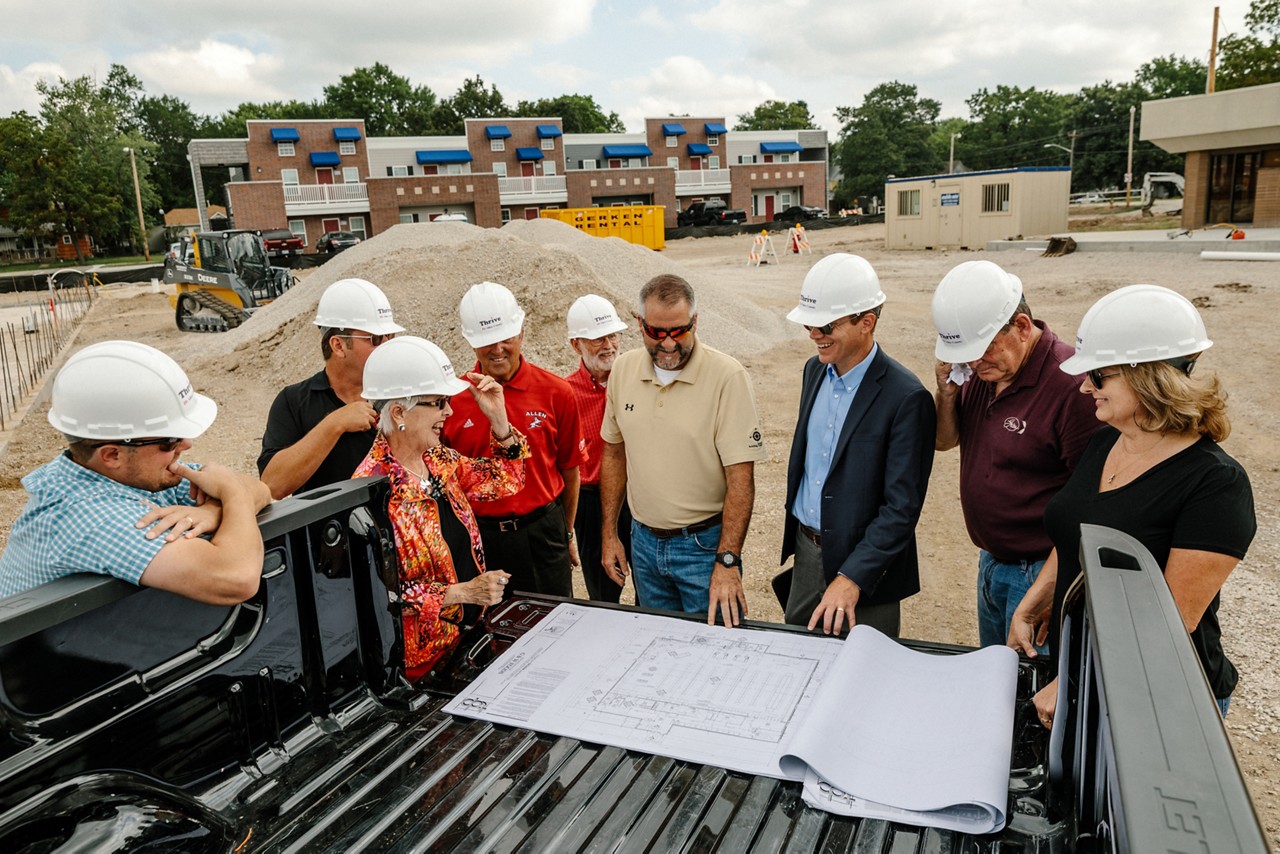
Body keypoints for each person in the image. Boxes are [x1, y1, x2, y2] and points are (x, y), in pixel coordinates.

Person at [1009, 285, 1255, 726]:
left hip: (1162, 700)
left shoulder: (1216, 484)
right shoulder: (1107, 440)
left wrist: (1072, 682)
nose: (1085, 388)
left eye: (1098, 375)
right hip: (1088, 675)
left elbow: (1170, 623)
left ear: (1148, 375)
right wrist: (1036, 599)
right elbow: (1075, 530)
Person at [0, 341, 272, 605]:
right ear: (112, 455)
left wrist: (211, 511)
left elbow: (261, 490)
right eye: (169, 441)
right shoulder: (91, 517)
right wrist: (231, 494)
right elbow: (236, 579)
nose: (186, 444)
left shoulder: (120, 474)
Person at [931, 260, 1097, 650]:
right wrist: (948, 395)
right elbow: (944, 441)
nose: (972, 362)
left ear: (1022, 326)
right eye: (966, 354)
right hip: (991, 562)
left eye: (983, 349)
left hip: (1039, 571)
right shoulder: (978, 374)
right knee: (996, 675)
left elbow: (1093, 503)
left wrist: (1052, 587)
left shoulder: (1072, 387)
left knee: (1026, 688)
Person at [354, 336, 529, 680]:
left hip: (467, 639)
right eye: (438, 403)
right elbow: (377, 593)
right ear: (399, 411)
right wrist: (462, 592)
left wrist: (500, 421)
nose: (448, 411)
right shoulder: (371, 492)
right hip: (420, 666)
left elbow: (507, 480)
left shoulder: (438, 459)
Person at [780, 254, 936, 638]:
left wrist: (852, 577)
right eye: (809, 323)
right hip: (807, 553)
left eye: (825, 325)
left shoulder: (906, 397)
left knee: (863, 676)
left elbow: (901, 508)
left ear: (866, 322)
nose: (813, 333)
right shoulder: (813, 370)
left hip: (866, 571)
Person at [600, 273, 766, 625]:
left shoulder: (727, 377)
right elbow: (614, 453)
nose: (669, 343)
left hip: (704, 549)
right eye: (657, 332)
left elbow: (740, 479)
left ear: (696, 321)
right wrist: (610, 534)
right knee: (657, 648)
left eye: (679, 330)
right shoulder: (622, 371)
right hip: (642, 545)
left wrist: (728, 560)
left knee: (715, 653)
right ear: (639, 323)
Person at [442, 281, 584, 597]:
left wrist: (566, 532)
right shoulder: (451, 401)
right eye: (486, 341)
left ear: (521, 331)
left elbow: (570, 470)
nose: (497, 349)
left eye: (505, 338)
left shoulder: (557, 393)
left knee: (554, 624)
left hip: (543, 533)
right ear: (470, 342)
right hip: (481, 537)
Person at [259, 278, 404, 498]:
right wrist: (334, 424)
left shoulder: (404, 394)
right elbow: (273, 485)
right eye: (375, 339)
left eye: (390, 337)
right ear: (338, 345)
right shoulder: (294, 401)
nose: (387, 346)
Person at [564, 294, 633, 603]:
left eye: (612, 335)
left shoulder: (638, 380)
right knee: (604, 595)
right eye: (597, 339)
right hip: (591, 502)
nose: (609, 345)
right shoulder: (565, 394)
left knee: (652, 588)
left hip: (638, 493)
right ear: (576, 344)